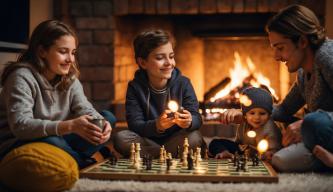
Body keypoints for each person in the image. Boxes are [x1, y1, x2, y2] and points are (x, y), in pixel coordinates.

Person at [0, 20, 112, 169]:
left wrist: (102, 123)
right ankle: (83, 163)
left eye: (73, 53)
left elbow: (85, 109)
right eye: (63, 51)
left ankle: (70, 159)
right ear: (42, 52)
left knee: (106, 118)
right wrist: (70, 126)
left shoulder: (70, 79)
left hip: (56, 138)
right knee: (54, 141)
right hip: (17, 144)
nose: (70, 60)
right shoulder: (21, 77)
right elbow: (21, 126)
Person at [113, 29, 203, 157]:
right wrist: (157, 125)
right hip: (147, 139)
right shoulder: (135, 87)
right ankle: (167, 155)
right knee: (121, 138)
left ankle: (154, 156)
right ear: (143, 63)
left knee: (194, 137)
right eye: (160, 58)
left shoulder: (184, 83)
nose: (169, 63)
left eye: (171, 56)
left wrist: (189, 121)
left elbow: (197, 118)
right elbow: (135, 125)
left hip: (176, 139)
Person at [266, 4, 333, 172]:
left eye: (280, 48)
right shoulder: (304, 72)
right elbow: (284, 110)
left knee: (312, 122)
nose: (276, 56)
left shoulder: (327, 57)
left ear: (302, 41)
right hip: (321, 135)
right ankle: (319, 156)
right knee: (281, 158)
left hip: (320, 128)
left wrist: (305, 126)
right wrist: (250, 110)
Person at [209, 87, 282, 161]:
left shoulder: (270, 128)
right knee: (215, 143)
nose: (257, 117)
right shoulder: (244, 123)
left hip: (260, 153)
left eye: (262, 113)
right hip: (244, 150)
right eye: (252, 113)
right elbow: (238, 143)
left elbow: (274, 151)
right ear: (245, 114)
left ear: (269, 115)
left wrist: (266, 155)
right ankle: (224, 153)